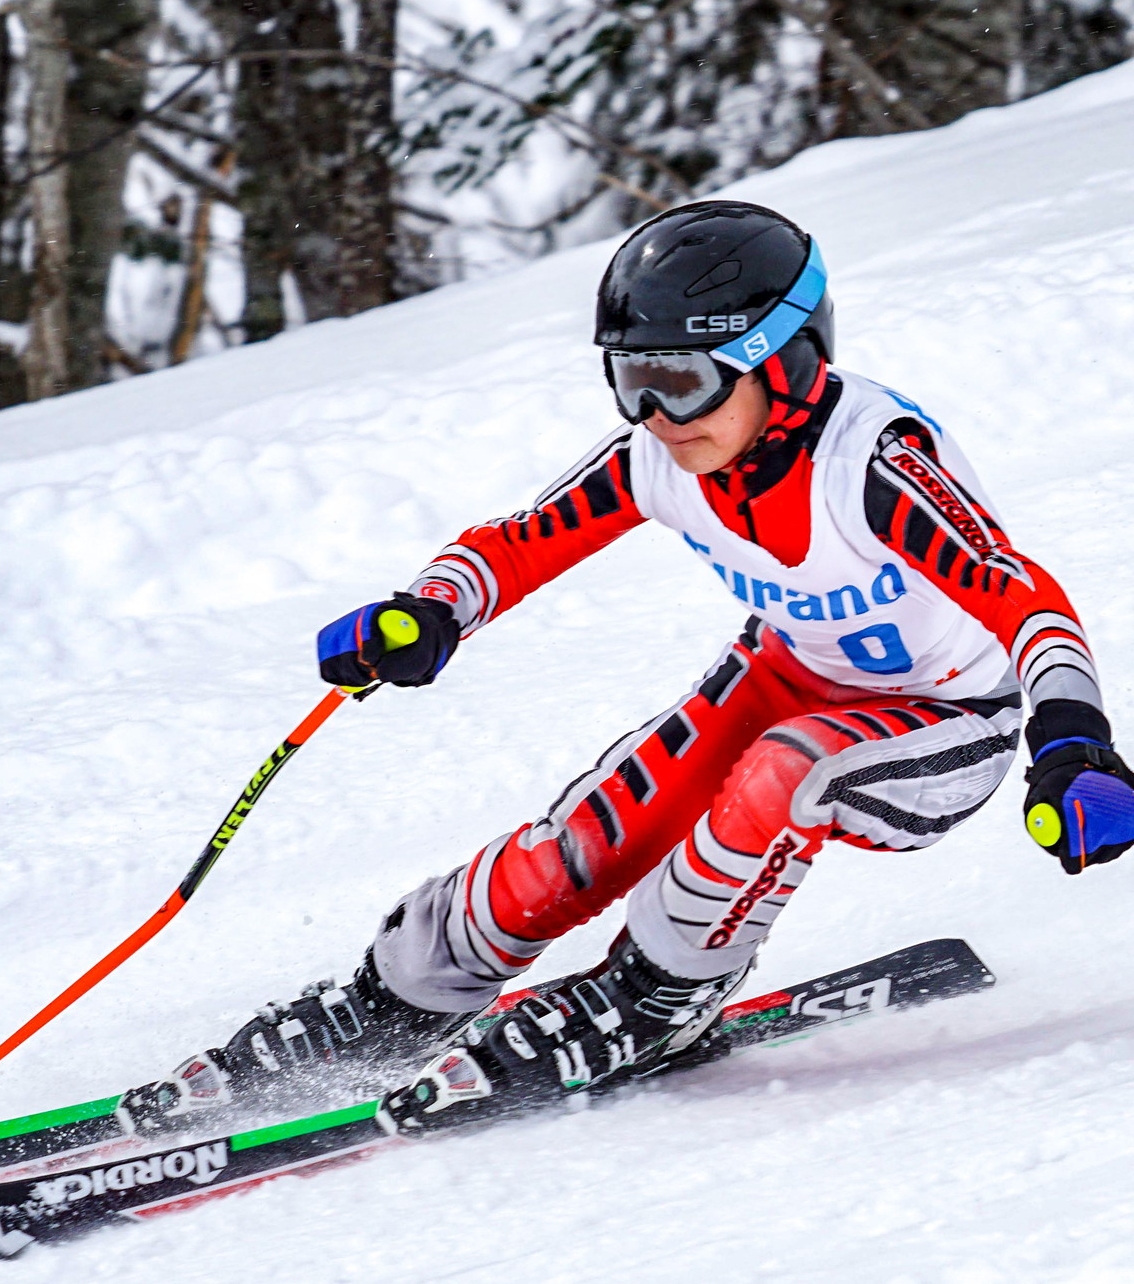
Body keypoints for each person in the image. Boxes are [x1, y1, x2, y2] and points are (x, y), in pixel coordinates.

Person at [120, 200, 1134, 1140]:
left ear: (779, 365)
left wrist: (1074, 742)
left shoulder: (869, 465)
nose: (653, 413)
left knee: (786, 771)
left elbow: (1024, 598)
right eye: (629, 378)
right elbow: (517, 542)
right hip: (789, 674)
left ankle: (655, 996)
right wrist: (426, 609)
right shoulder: (657, 454)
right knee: (590, 837)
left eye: (681, 380)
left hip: (944, 722)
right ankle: (394, 1000)